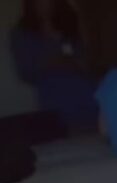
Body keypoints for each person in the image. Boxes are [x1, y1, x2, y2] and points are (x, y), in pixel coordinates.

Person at [10, 0, 98, 134]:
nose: (45, 4)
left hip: (86, 93)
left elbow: (90, 60)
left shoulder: (72, 24)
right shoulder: (22, 33)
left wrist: (75, 62)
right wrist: (50, 62)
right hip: (55, 99)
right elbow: (26, 72)